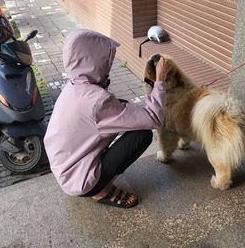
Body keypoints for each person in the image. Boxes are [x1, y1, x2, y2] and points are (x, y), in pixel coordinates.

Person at [44, 28, 169, 208]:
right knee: (141, 135)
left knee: (125, 112)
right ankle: (100, 190)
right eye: (106, 58)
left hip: (64, 168)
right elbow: (154, 118)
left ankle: (96, 178)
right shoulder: (97, 101)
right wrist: (160, 81)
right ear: (94, 60)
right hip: (80, 181)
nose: (109, 63)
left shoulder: (73, 85)